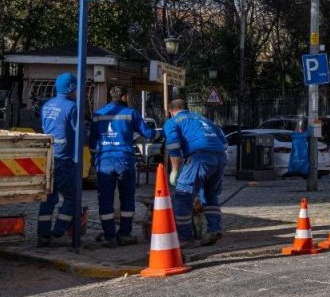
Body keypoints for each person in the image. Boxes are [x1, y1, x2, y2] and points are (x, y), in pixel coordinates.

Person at [90, 86, 153, 247]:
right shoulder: (131, 113)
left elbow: (92, 142)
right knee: (127, 198)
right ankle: (124, 234)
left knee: (105, 199)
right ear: (124, 97)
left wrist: (94, 159)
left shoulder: (98, 115)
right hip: (125, 160)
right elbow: (149, 134)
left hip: (104, 161)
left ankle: (109, 235)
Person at [163, 99, 227, 247]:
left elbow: (173, 147)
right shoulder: (203, 118)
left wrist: (175, 170)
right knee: (210, 195)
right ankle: (214, 229)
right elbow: (224, 142)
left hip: (199, 157)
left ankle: (185, 238)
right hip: (220, 157)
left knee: (183, 197)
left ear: (171, 112)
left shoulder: (172, 122)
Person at [36, 73, 83, 247]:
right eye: (76, 88)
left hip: (49, 158)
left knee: (48, 198)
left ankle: (43, 235)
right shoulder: (72, 107)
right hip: (64, 159)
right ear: (71, 88)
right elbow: (78, 132)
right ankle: (59, 231)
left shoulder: (47, 106)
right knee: (73, 198)